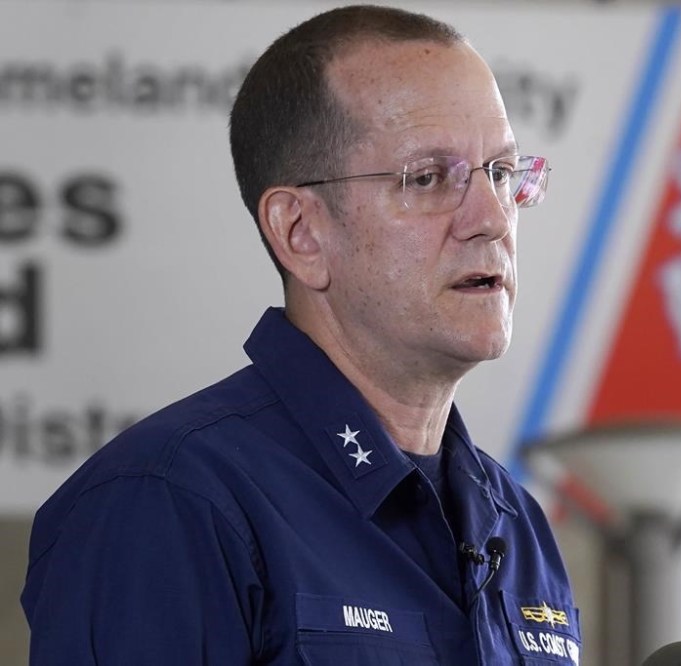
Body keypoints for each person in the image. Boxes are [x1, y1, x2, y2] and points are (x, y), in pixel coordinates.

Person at [20, 5, 580, 665]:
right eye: (429, 178)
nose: (491, 218)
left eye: (502, 173)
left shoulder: (515, 520)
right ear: (300, 233)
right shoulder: (166, 501)